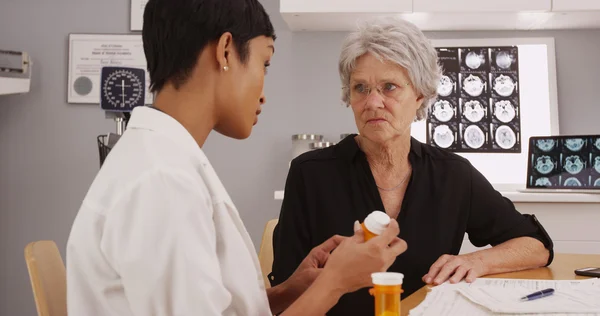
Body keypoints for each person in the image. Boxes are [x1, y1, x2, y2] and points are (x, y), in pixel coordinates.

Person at [65, 1, 408, 315]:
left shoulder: (162, 161)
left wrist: (290, 290)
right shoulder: (162, 181)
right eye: (265, 63)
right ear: (226, 51)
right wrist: (336, 282)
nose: (263, 93)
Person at [270, 17, 554, 315]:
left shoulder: (452, 174)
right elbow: (288, 289)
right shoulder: (310, 173)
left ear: (420, 95)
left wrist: (476, 261)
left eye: (389, 87)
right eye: (361, 88)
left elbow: (536, 244)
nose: (373, 102)